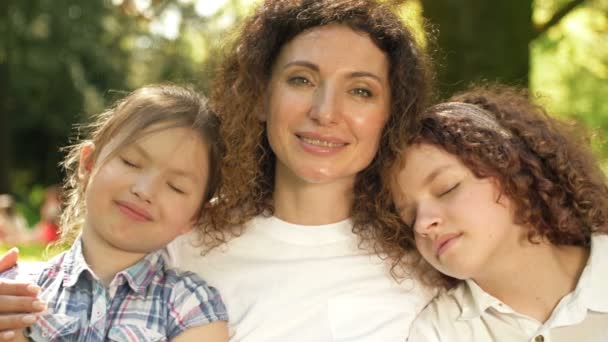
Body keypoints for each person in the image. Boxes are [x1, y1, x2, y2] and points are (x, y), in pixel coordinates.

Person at [0, 0, 435, 340]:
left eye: (360, 90)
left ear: (390, 114)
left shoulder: (426, 258)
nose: (325, 112)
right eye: (301, 80)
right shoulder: (182, 238)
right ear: (261, 96)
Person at [1, 84, 229, 341]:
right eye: (131, 162)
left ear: (195, 216)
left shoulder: (192, 308)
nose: (145, 190)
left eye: (176, 187)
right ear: (88, 163)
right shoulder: (14, 291)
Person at [389, 85, 608, 341]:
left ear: (513, 171)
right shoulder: (436, 332)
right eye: (410, 217)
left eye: (447, 188)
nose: (423, 224)